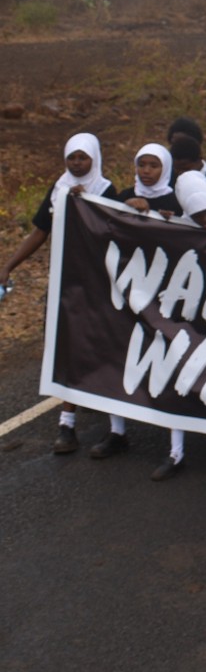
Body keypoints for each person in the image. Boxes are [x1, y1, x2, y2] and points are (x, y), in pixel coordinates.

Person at [0, 133, 121, 455]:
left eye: (83, 157)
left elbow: (122, 233)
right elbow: (41, 230)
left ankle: (116, 428)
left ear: (95, 158)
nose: (77, 163)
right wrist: (9, 265)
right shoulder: (59, 189)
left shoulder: (107, 192)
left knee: (102, 349)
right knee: (66, 349)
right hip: (66, 284)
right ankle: (66, 425)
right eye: (72, 157)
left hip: (99, 285)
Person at [150, 171, 206, 481]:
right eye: (196, 214)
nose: (204, 220)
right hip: (191, 317)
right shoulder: (179, 227)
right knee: (180, 376)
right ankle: (176, 452)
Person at [116, 143, 182, 217]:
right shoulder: (126, 195)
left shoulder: (176, 202)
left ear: (165, 169)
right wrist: (125, 205)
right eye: (141, 165)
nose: (146, 171)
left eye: (154, 166)